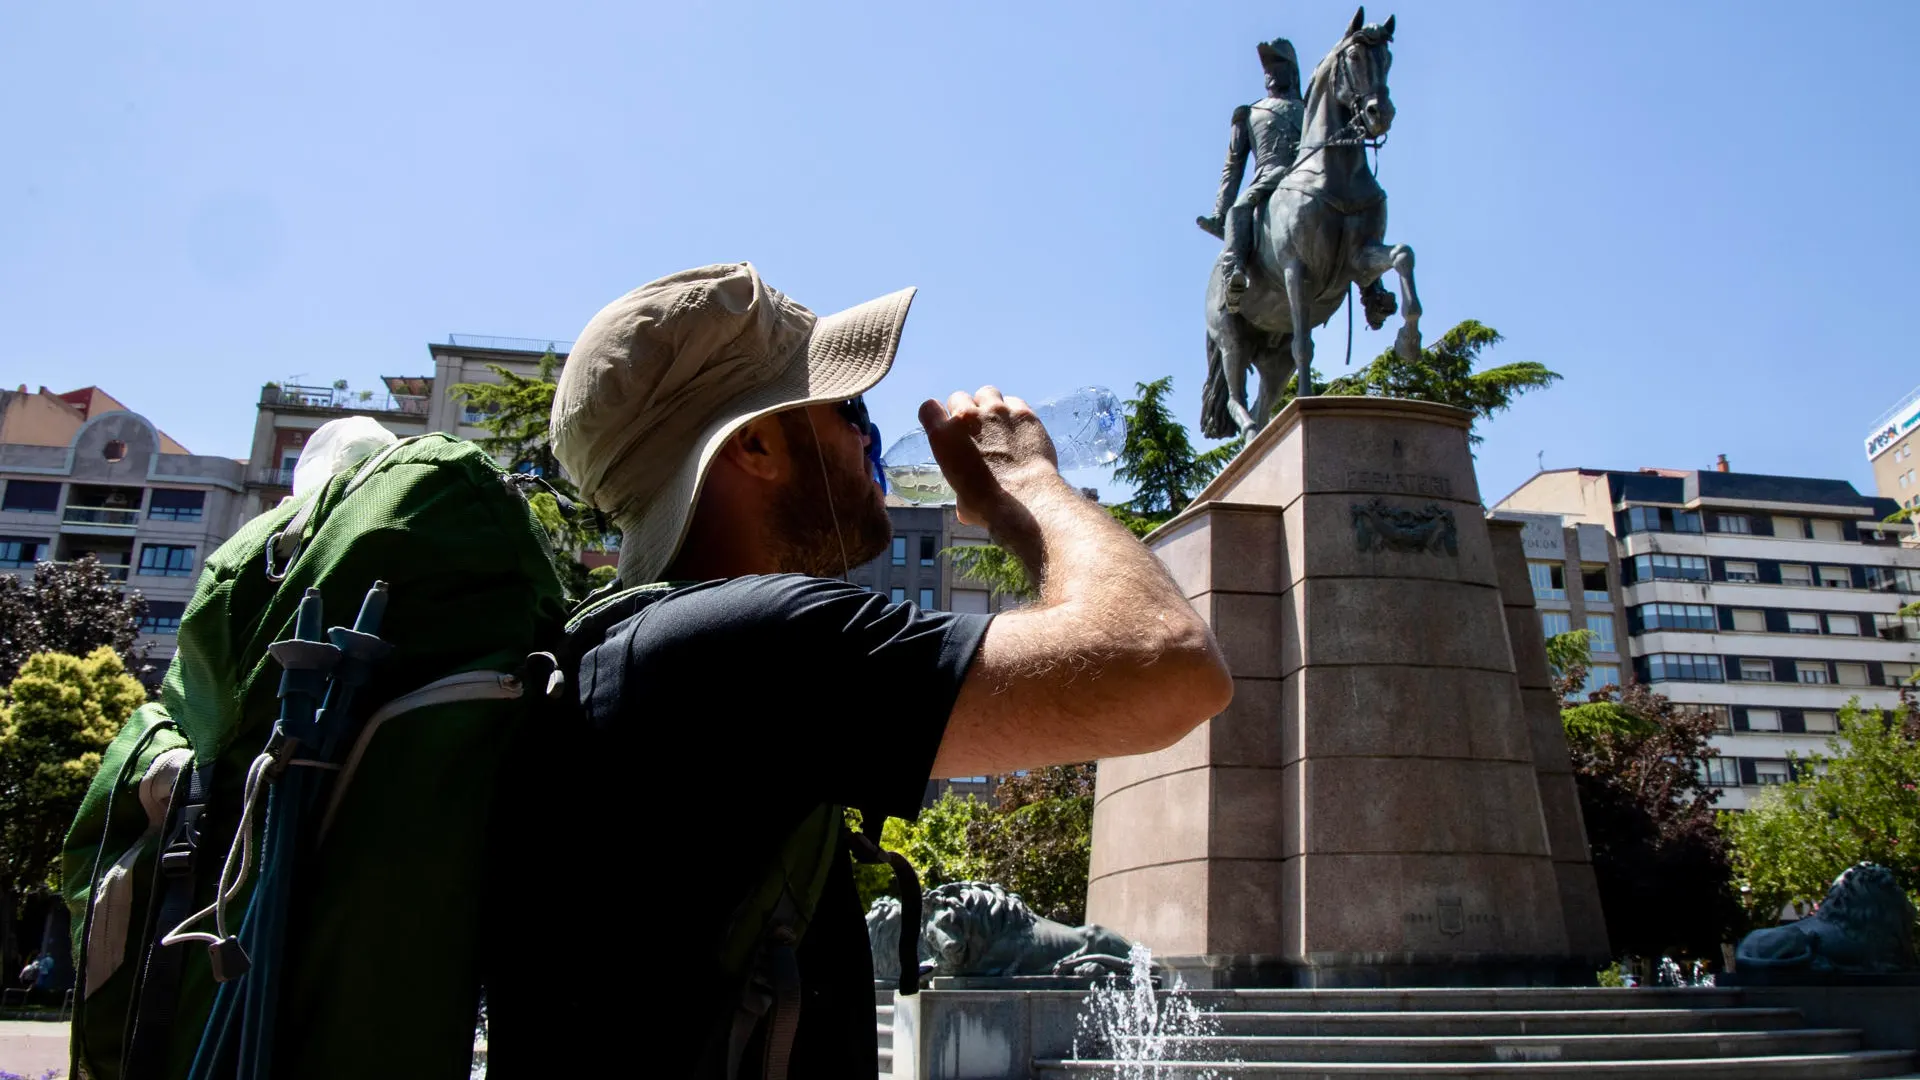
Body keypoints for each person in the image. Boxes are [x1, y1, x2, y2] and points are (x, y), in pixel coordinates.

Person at [491, 263, 1233, 1078]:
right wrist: (1026, 484)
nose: (869, 440)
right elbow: (1167, 663)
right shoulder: (745, 648)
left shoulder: (644, 656)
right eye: (849, 408)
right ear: (756, 444)